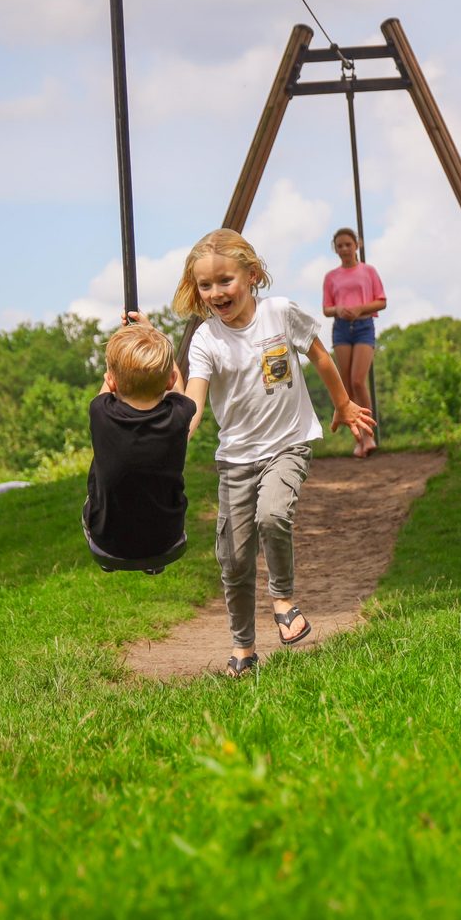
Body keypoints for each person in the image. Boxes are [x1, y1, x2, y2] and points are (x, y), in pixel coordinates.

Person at [175, 228, 375, 677]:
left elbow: (321, 356)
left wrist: (342, 403)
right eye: (205, 285)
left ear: (252, 274)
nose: (216, 292)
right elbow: (194, 396)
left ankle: (283, 601)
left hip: (288, 443)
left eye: (225, 280)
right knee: (234, 557)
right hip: (236, 460)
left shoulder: (280, 313)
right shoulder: (207, 339)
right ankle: (243, 648)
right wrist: (179, 426)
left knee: (273, 514)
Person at [82, 316, 196, 575]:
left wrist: (123, 344)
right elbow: (177, 383)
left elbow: (108, 388)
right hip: (167, 541)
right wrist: (153, 331)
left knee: (99, 466)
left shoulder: (100, 413)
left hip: (106, 543)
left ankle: (108, 559)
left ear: (111, 381)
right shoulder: (179, 414)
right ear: (168, 380)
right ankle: (154, 562)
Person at [321, 227, 386, 458]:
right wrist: (338, 309)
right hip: (341, 329)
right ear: (335, 249)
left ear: (356, 245)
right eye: (340, 246)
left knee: (359, 381)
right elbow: (326, 308)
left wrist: (360, 308)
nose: (344, 249)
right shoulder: (331, 277)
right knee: (346, 386)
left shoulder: (368, 271)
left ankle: (370, 435)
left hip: (363, 327)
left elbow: (381, 301)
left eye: (348, 244)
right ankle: (358, 440)